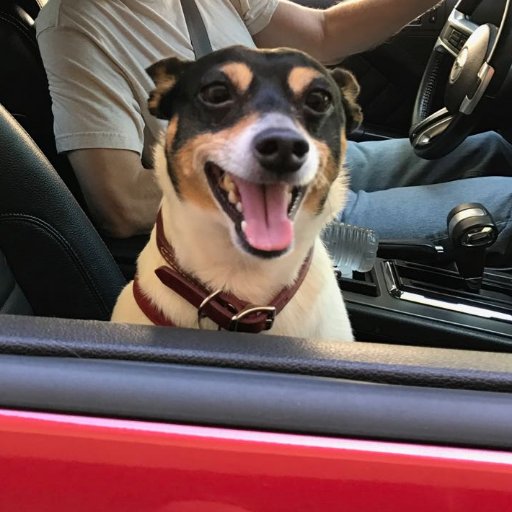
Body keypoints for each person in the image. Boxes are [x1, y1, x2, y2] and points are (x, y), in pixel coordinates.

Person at [35, 0, 512, 260]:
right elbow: (118, 204)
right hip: (265, 213)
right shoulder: (77, 23)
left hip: (303, 160)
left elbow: (323, 33)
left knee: (491, 149)